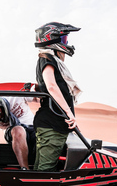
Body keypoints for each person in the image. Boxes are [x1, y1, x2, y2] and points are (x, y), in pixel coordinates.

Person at [33, 22, 82, 171]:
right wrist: (68, 113)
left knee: (41, 168)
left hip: (52, 125)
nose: (66, 44)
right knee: (46, 171)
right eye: (64, 40)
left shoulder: (49, 59)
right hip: (52, 126)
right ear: (52, 39)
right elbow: (51, 86)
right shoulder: (47, 59)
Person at [0, 95, 36, 170]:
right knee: (18, 130)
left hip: (33, 128)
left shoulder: (15, 96)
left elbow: (35, 97)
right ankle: (25, 169)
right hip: (14, 135)